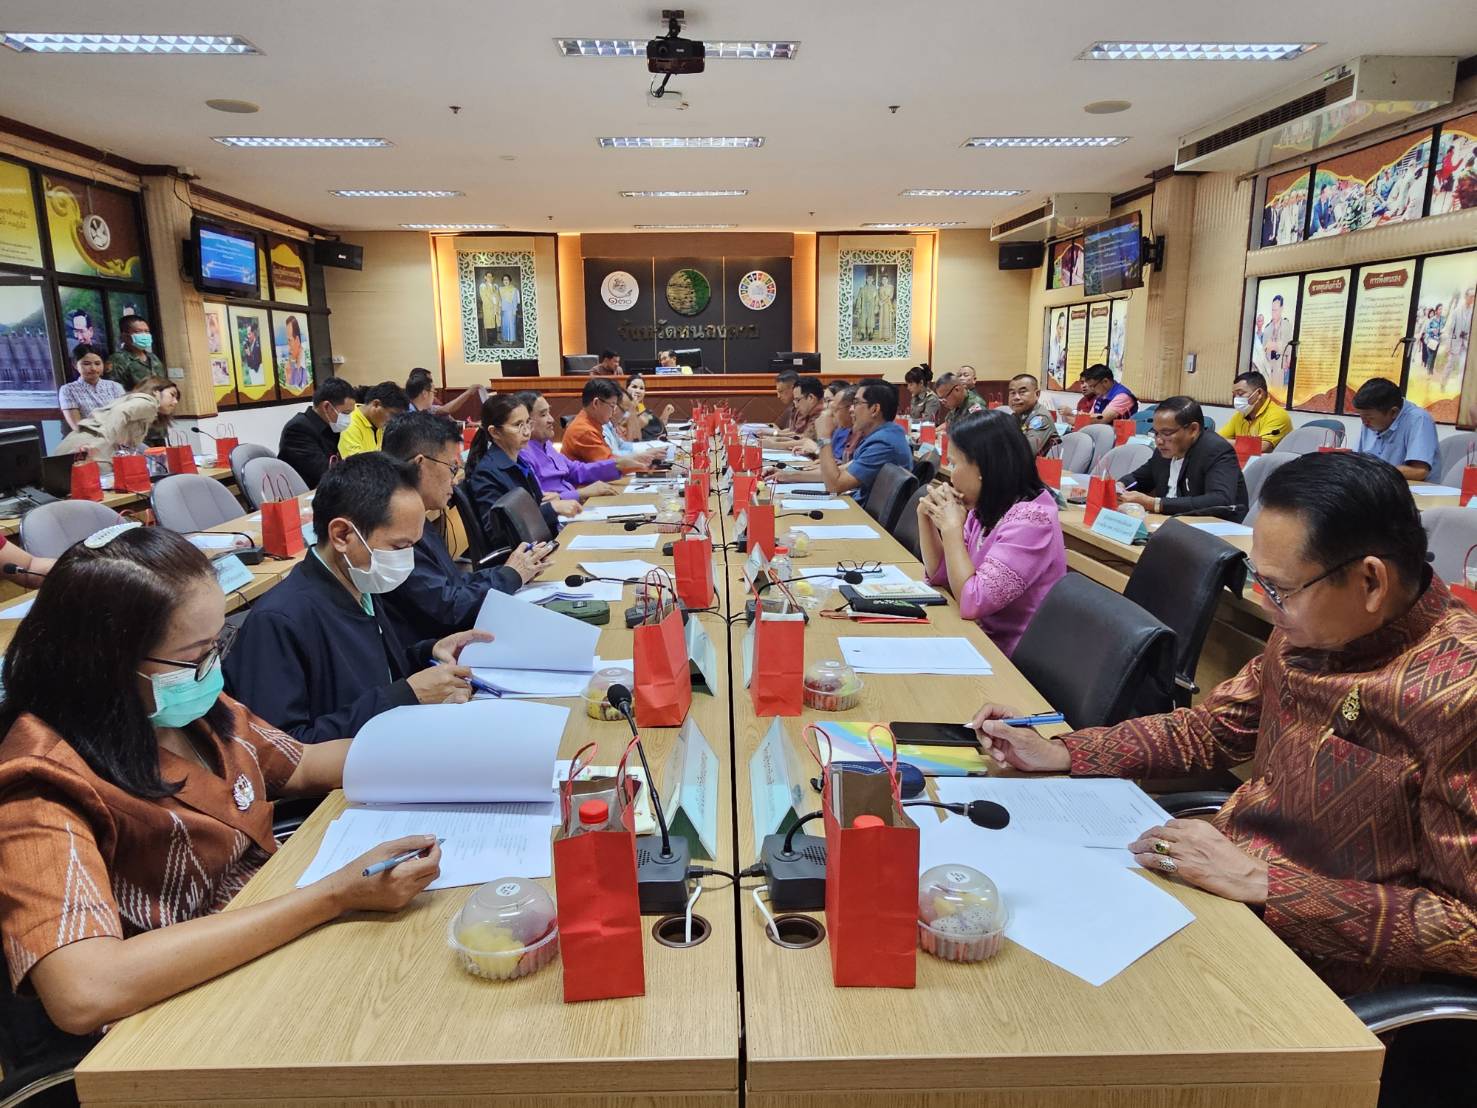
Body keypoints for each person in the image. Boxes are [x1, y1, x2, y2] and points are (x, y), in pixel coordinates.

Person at [968, 451, 1477, 999]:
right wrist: (1067, 752)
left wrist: (1265, 883)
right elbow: (1210, 731)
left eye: (1280, 590)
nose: (1268, 605)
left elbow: (1467, 926)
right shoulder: (1309, 630)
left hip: (1320, 972)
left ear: (1371, 582)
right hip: (1217, 888)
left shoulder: (1459, 693)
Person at [0, 524, 440, 1036]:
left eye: (216, 646)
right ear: (104, 661)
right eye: (194, 656)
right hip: (187, 1009)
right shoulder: (40, 782)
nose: (210, 669)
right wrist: (333, 896)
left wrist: (448, 756)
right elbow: (86, 990)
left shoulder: (181, 705)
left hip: (272, 932)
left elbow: (299, 763)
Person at [224, 454, 490, 744]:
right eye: (399, 546)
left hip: (391, 741)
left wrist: (429, 650)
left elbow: (376, 670)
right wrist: (406, 695)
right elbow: (283, 749)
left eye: (413, 546)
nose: (408, 560)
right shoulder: (280, 621)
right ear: (342, 535)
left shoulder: (361, 582)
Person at [381, 410, 551, 642]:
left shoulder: (418, 514)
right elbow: (449, 608)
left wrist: (515, 570)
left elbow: (453, 584)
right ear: (420, 465)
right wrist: (509, 576)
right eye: (452, 468)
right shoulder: (394, 526)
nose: (455, 479)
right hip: (438, 649)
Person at [918, 411, 1065, 655]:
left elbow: (972, 602)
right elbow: (944, 575)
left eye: (954, 464)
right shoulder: (985, 507)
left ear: (982, 468)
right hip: (976, 638)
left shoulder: (1032, 522)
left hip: (1011, 657)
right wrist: (925, 517)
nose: (951, 476)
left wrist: (952, 530)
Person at [1119, 397, 1248, 522]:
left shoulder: (1215, 450)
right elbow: (1138, 478)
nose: (1159, 440)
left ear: (1193, 429)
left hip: (1214, 527)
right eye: (1156, 433)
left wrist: (1156, 504)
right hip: (1169, 524)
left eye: (1167, 433)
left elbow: (1220, 500)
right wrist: (1120, 486)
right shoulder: (1164, 450)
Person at [466, 394, 575, 539]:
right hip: (525, 550)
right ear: (495, 432)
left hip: (544, 541)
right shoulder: (486, 473)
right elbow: (497, 531)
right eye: (518, 425)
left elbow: (536, 505)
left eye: (527, 422)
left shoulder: (519, 462)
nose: (526, 431)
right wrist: (551, 509)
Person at [518, 390, 632, 501]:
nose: (551, 419)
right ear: (525, 421)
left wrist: (618, 464)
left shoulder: (546, 444)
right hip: (561, 510)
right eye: (543, 414)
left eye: (549, 412)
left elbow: (576, 471)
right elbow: (540, 501)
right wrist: (581, 493)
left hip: (575, 504)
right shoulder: (522, 454)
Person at [811, 381, 913, 501]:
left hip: (864, 512)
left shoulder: (883, 444)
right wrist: (792, 476)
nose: (851, 409)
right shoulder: (882, 435)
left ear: (874, 409)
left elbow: (834, 486)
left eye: (856, 403)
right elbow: (840, 471)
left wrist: (823, 437)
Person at [54, 377, 179, 462]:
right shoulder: (149, 403)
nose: (175, 402)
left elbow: (130, 443)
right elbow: (120, 412)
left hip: (79, 446)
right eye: (172, 395)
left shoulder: (138, 402)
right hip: (86, 447)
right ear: (156, 391)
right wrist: (97, 445)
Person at [1352, 377, 1439, 482]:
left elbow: (1419, 471)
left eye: (1369, 417)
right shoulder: (1369, 421)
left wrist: (1374, 471)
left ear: (1393, 412)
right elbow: (1356, 460)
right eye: (1360, 416)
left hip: (1411, 489)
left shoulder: (1419, 419)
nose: (1364, 423)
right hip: (1378, 485)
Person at [561, 378, 661, 466]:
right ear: (596, 403)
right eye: (612, 406)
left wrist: (647, 451)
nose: (614, 411)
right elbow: (608, 464)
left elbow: (621, 446)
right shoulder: (584, 431)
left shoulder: (597, 423)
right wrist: (640, 457)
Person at [278, 377, 355, 489]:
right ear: (326, 407)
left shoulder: (330, 427)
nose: (348, 419)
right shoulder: (298, 430)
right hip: (304, 493)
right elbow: (324, 474)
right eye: (345, 413)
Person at [1218, 369, 1292, 451]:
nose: (1236, 399)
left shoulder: (1278, 415)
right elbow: (1218, 438)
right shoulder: (1241, 415)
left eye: (1240, 394)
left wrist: (1221, 442)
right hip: (1244, 458)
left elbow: (1262, 447)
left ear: (1259, 393)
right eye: (1234, 395)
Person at [58, 342, 124, 432]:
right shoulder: (68, 390)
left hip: (119, 435)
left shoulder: (115, 386)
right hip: (88, 437)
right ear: (75, 365)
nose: (93, 368)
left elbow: (124, 418)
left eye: (97, 363)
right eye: (86, 364)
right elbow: (78, 427)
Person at [336, 381, 409, 458]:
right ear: (376, 404)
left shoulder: (376, 421)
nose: (393, 420)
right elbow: (353, 464)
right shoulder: (350, 424)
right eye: (392, 414)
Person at [1006, 373, 1060, 457]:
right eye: (1012, 393)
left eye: (1022, 392)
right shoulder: (1016, 415)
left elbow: (1025, 452)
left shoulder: (1041, 418)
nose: (1016, 397)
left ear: (1037, 394)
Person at [106, 316, 164, 387]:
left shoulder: (153, 358)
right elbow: (113, 388)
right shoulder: (118, 359)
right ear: (124, 336)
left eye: (146, 331)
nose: (144, 335)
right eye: (138, 332)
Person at [625, 374, 675, 441]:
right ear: (626, 389)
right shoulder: (620, 408)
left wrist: (666, 414)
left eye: (641, 388)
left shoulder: (641, 407)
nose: (638, 391)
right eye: (634, 387)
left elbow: (654, 428)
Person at [281, 316, 310, 391]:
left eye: (289, 340)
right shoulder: (292, 361)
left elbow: (300, 390)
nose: (288, 346)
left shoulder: (305, 365)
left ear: (297, 340)